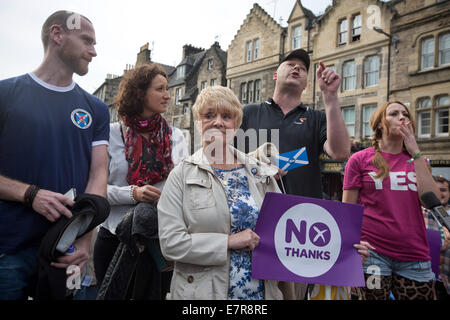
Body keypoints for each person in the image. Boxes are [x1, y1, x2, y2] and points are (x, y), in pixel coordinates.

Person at [0, 10, 109, 300]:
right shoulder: (6, 94)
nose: (94, 51)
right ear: (58, 35)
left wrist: (85, 240)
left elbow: (98, 174)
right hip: (8, 251)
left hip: (69, 252)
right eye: (86, 41)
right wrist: (30, 194)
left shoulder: (96, 108)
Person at [157, 86, 296, 300]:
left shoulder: (258, 172)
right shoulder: (180, 175)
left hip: (259, 296)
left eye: (227, 116)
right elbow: (171, 245)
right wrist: (228, 242)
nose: (218, 122)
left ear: (236, 124)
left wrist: (343, 250)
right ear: (198, 122)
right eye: (209, 115)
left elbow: (287, 231)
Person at [236, 48, 351, 300]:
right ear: (276, 74)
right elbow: (225, 158)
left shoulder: (317, 117)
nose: (297, 68)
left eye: (303, 67)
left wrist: (330, 97)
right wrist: (260, 169)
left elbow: (341, 152)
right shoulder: (248, 112)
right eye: (290, 63)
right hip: (253, 223)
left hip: (298, 231)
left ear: (308, 81)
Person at [93, 64, 188, 291]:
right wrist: (133, 193)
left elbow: (184, 188)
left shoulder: (177, 136)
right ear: (140, 92)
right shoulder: (111, 133)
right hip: (114, 239)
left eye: (167, 88)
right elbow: (95, 190)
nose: (168, 95)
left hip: (160, 241)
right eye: (160, 89)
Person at [342, 101, 439, 300]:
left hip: (415, 256)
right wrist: (353, 245)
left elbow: (433, 201)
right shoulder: (359, 160)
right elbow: (347, 210)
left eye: (405, 114)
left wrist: (415, 152)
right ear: (379, 124)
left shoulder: (419, 161)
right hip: (372, 255)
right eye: (394, 113)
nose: (402, 117)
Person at [423, 175, 450, 300]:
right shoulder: (421, 214)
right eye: (436, 189)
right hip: (427, 279)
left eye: (443, 190)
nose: (439, 193)